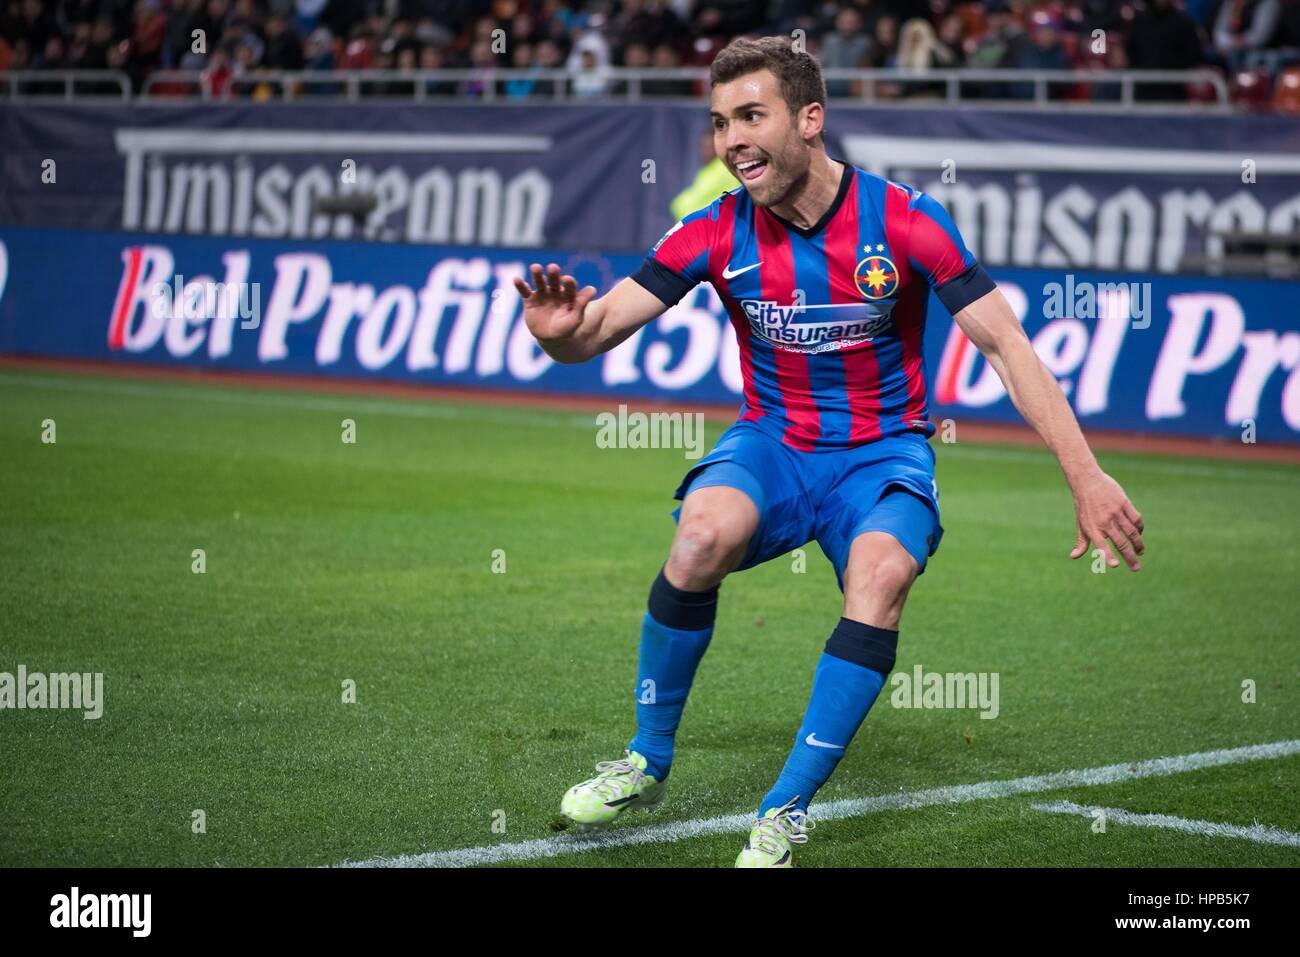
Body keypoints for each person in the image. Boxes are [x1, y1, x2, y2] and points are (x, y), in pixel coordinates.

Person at [514, 36, 1144, 868]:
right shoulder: (709, 233)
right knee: (699, 535)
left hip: (882, 457)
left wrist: (1086, 472)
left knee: (882, 575)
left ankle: (783, 810)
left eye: (750, 116)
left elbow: (1008, 348)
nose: (732, 139)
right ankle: (644, 760)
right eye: (718, 123)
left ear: (810, 120)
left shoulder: (908, 222)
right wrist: (557, 338)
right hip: (773, 443)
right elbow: (594, 328)